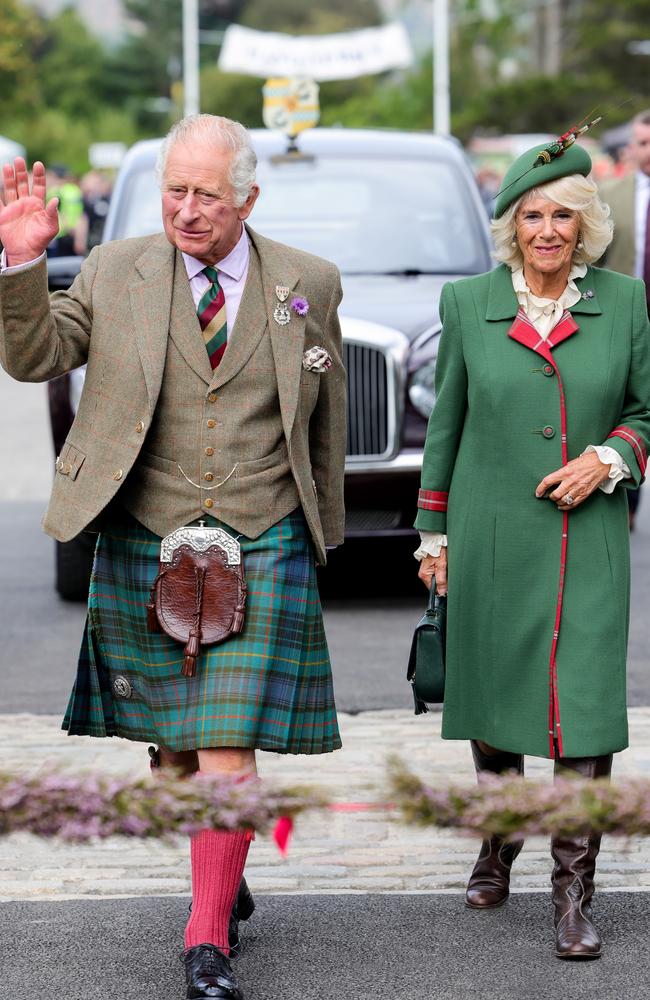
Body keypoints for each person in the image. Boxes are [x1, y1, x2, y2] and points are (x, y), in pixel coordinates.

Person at [0, 114, 346, 1000]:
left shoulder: (308, 282)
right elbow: (35, 356)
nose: (187, 211)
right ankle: (223, 872)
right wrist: (24, 264)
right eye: (174, 191)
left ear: (248, 199)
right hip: (146, 534)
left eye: (207, 195)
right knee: (176, 754)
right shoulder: (117, 270)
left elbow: (326, 421)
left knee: (227, 746)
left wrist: (326, 533)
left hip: (262, 530)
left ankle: (205, 945)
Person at [414, 137, 650, 959]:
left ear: (585, 226)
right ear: (511, 228)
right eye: (531, 217)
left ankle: (573, 894)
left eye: (562, 216)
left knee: (583, 708)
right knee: (495, 697)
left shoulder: (624, 302)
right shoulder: (468, 302)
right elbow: (445, 424)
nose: (547, 230)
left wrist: (605, 456)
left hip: (587, 538)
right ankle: (499, 839)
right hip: (489, 534)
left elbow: (647, 410)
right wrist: (432, 531)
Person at [600, 110, 650, 528]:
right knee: (625, 408)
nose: (645, 151)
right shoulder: (611, 195)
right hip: (625, 321)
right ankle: (627, 500)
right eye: (641, 142)